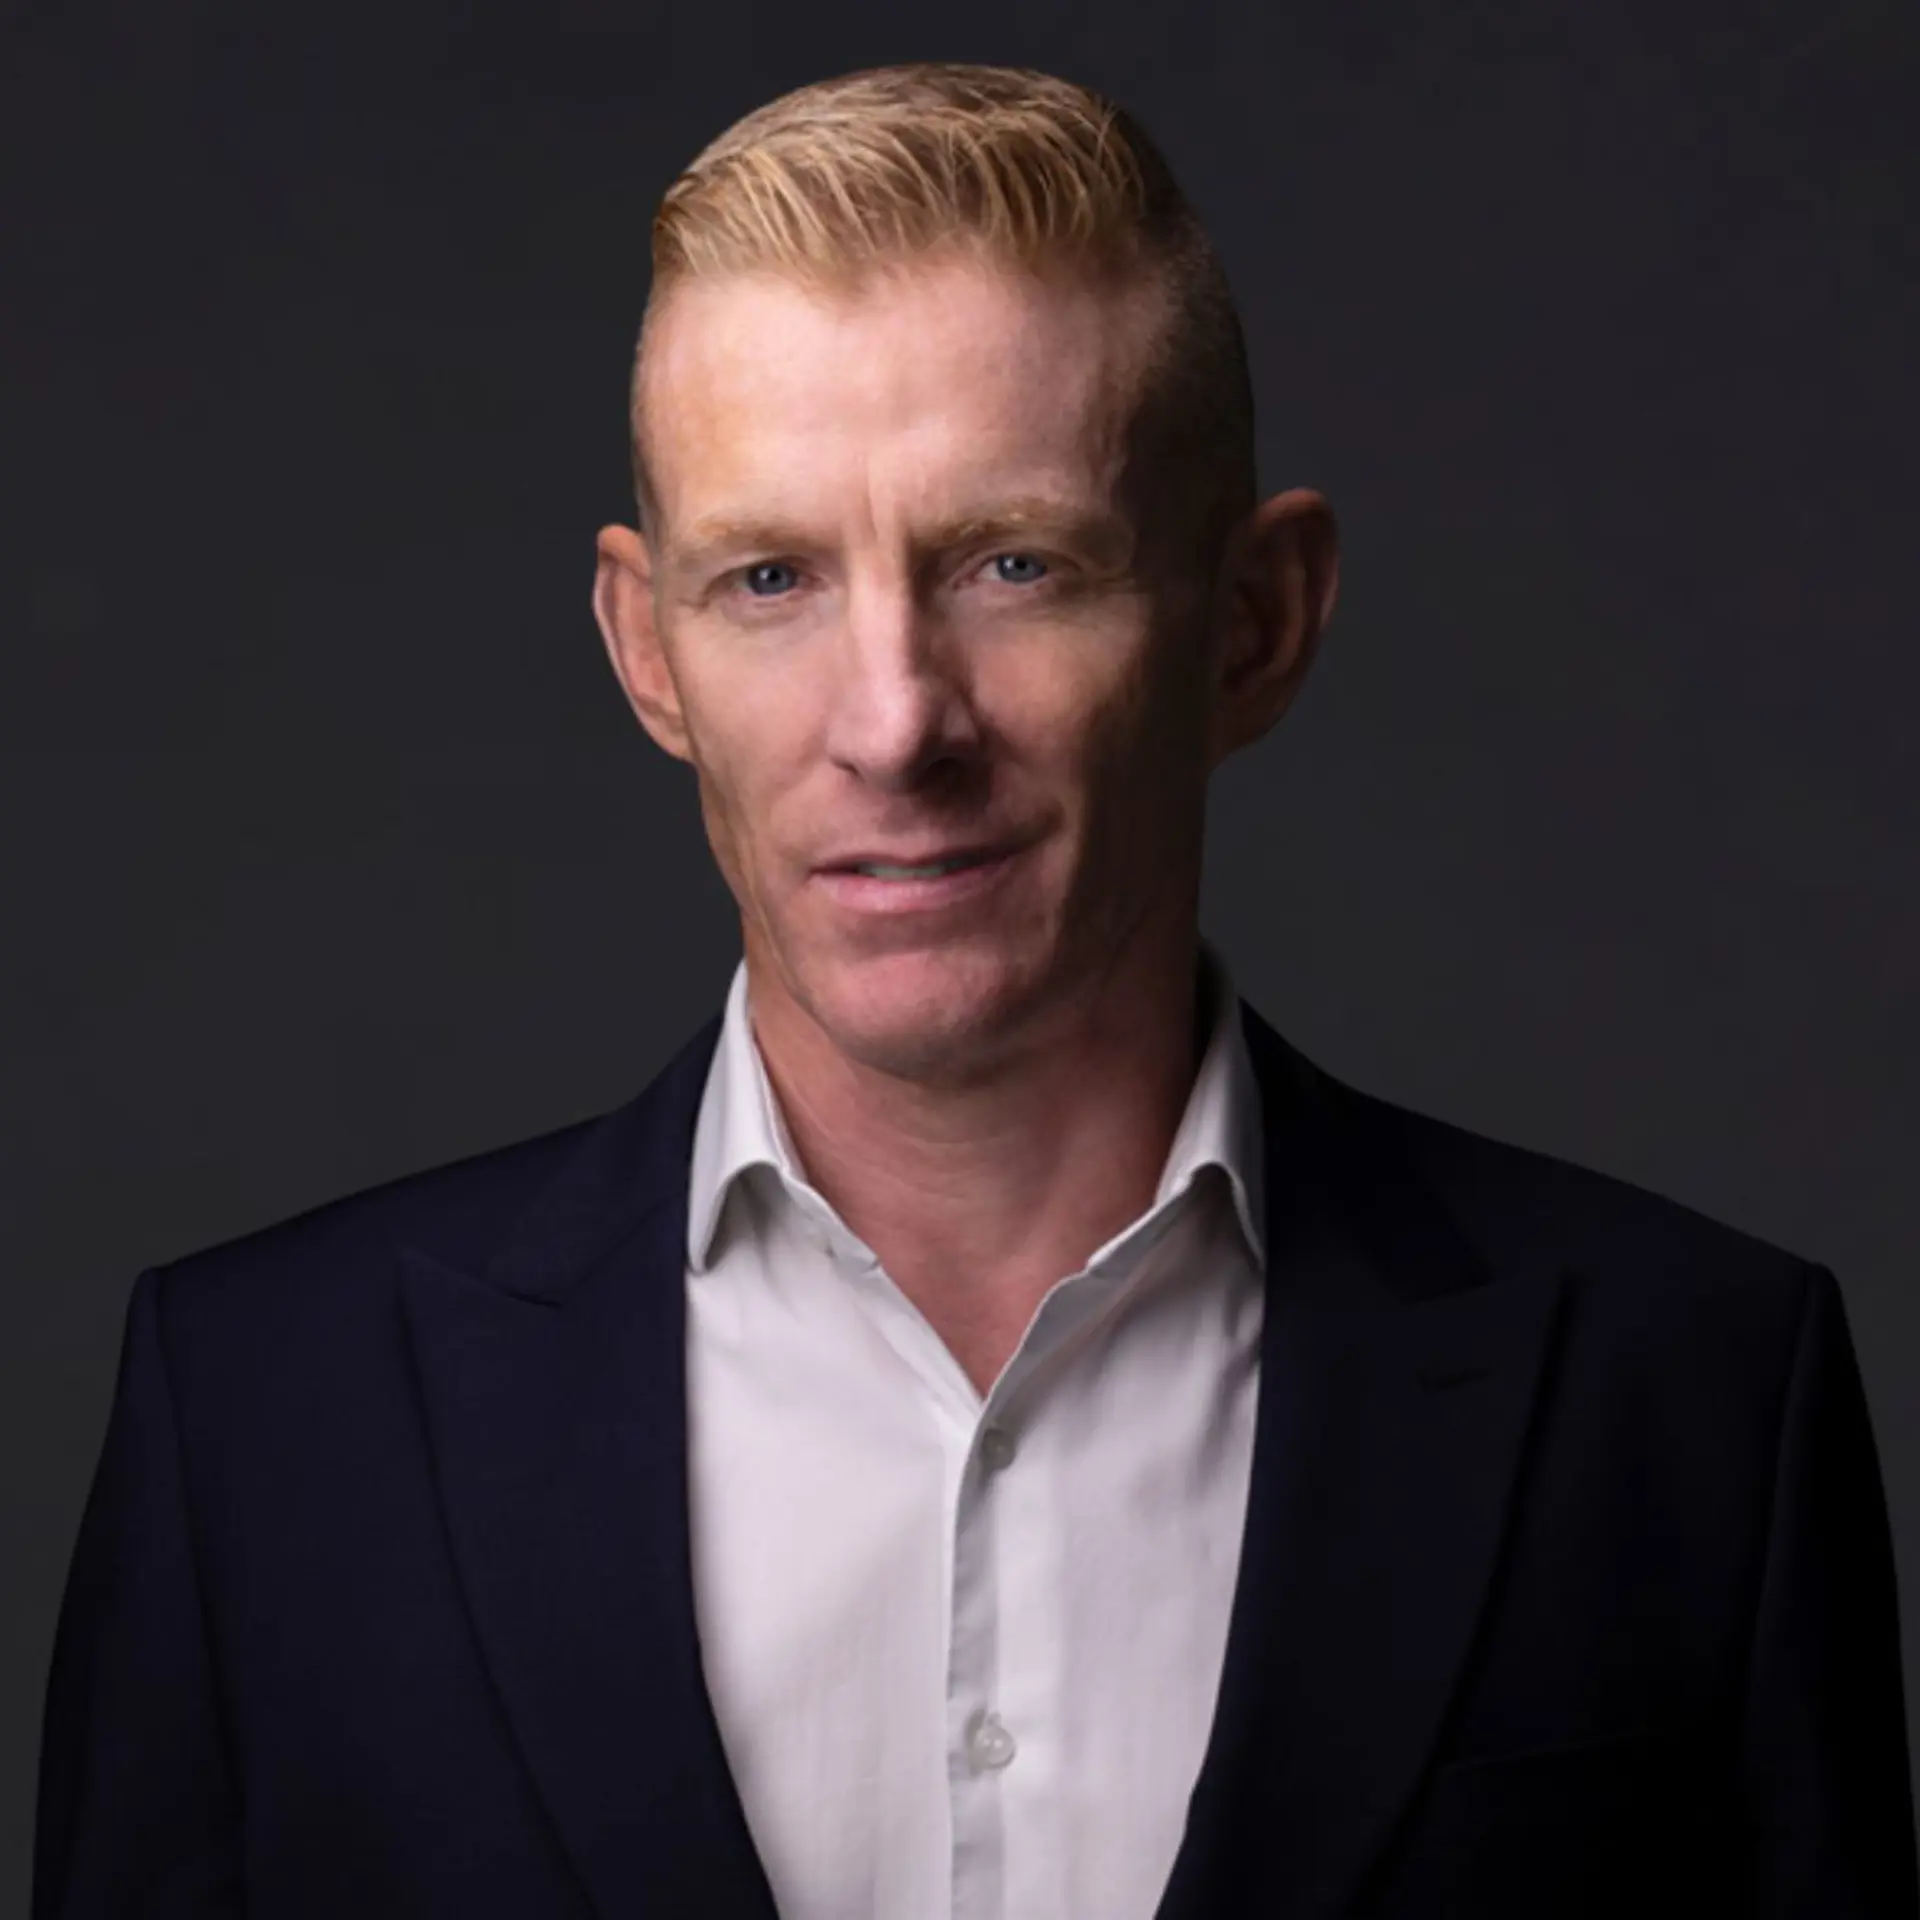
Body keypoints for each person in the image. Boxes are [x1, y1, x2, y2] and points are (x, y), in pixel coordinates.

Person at [33, 60, 1915, 1920]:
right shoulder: (267, 1427)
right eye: (770, 578)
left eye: (1016, 564)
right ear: (647, 649)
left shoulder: (1691, 1406)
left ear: (1254, 624)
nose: (894, 723)